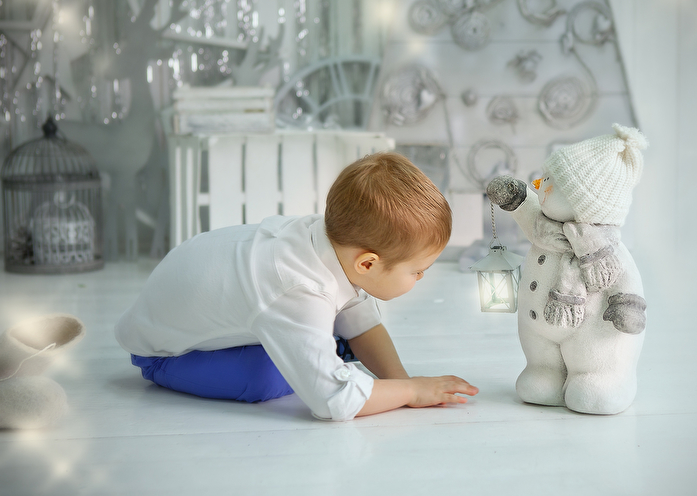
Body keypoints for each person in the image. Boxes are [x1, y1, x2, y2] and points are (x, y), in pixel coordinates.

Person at [115, 152, 478, 421]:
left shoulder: (327, 237)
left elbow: (361, 321)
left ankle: (323, 349)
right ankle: (325, 351)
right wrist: (410, 391)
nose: (422, 277)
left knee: (329, 338)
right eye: (417, 271)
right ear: (367, 264)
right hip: (165, 355)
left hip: (189, 296)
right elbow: (333, 401)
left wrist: (400, 380)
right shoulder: (298, 289)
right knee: (263, 377)